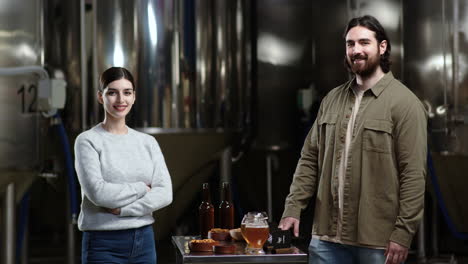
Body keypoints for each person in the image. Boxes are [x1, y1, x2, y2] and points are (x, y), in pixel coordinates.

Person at [278, 15, 427, 264]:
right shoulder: (331, 100)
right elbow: (309, 159)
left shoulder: (406, 104)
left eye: (364, 42)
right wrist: (293, 208)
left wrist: (403, 233)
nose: (356, 50)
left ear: (382, 47)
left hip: (377, 242)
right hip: (326, 238)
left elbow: (413, 175)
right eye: (350, 44)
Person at [74, 67, 173, 263]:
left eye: (127, 92)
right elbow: (98, 193)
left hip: (144, 242)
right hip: (102, 245)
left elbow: (165, 193)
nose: (121, 100)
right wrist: (141, 188)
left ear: (134, 97)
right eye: (112, 92)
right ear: (101, 97)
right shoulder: (88, 141)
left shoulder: (147, 142)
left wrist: (124, 210)